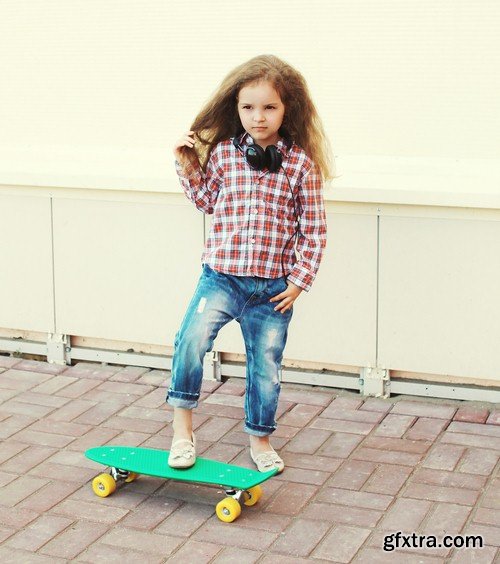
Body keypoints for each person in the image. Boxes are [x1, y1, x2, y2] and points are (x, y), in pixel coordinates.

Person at [166, 54, 334, 473]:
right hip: (220, 279)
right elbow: (206, 201)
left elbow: (314, 230)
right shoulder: (224, 155)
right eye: (248, 107)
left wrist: (299, 280)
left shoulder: (300, 166)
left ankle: (260, 440)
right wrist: (186, 163)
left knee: (266, 368)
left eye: (269, 107)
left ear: (287, 109)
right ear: (236, 108)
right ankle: (182, 432)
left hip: (272, 291)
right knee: (190, 342)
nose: (258, 117)